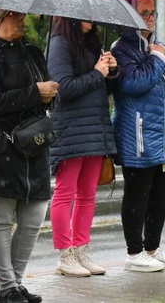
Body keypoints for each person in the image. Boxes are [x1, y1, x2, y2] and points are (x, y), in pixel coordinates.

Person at [0, 8, 58, 303]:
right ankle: (8, 287)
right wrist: (34, 92)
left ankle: (15, 283)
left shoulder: (33, 52)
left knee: (33, 218)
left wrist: (52, 92)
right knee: (1, 218)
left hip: (34, 146)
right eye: (13, 15)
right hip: (0, 148)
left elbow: (45, 92)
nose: (21, 19)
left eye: (21, 15)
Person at [110, 0, 165, 273]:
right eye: (144, 12)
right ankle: (134, 252)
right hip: (138, 136)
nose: (151, 17)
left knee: (161, 194)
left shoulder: (158, 46)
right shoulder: (122, 49)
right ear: (129, 17)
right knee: (138, 193)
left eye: (152, 12)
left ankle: (152, 247)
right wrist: (156, 58)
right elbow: (134, 83)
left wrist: (164, 57)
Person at [46, 17, 118, 277]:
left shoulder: (90, 44)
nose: (93, 19)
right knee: (66, 193)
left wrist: (111, 70)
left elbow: (101, 87)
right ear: (71, 16)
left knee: (88, 193)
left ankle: (80, 248)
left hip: (95, 127)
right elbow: (63, 88)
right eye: (86, 14)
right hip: (70, 128)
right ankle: (65, 255)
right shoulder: (59, 43)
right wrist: (97, 72)